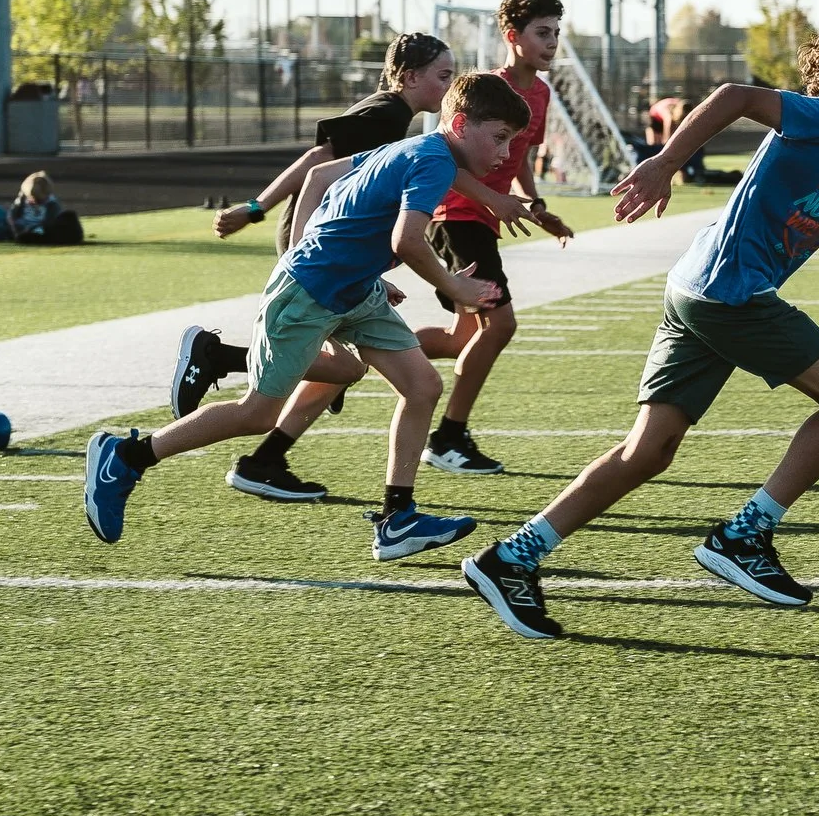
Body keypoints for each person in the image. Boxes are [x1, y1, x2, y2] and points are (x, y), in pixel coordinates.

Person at [461, 1, 819, 641]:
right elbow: (734, 96)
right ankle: (745, 535)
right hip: (730, 294)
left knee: (649, 452)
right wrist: (665, 162)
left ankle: (511, 558)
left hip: (702, 292)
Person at [84, 72, 528, 561]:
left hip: (354, 290)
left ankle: (397, 519)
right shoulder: (432, 161)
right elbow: (406, 240)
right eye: (500, 138)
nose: (506, 153)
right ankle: (127, 457)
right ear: (461, 123)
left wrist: (358, 265)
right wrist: (452, 284)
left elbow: (325, 183)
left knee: (414, 384)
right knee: (257, 414)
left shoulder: (414, 149)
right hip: (311, 293)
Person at [168, 32, 530, 418]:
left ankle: (255, 426)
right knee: (297, 384)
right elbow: (317, 167)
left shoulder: (410, 129)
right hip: (316, 239)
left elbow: (434, 171)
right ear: (409, 77)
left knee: (345, 368)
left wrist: (492, 199)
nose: (448, 86)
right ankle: (247, 424)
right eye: (443, 76)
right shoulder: (387, 115)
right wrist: (258, 209)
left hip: (334, 244)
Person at [417, 0, 575, 476]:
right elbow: (439, 156)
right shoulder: (482, 87)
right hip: (456, 215)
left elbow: (521, 156)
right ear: (513, 36)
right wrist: (493, 199)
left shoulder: (542, 93)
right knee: (500, 325)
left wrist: (535, 204)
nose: (551, 43)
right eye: (542, 33)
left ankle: (358, 355)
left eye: (555, 33)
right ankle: (447, 438)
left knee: (461, 336)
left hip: (483, 217)